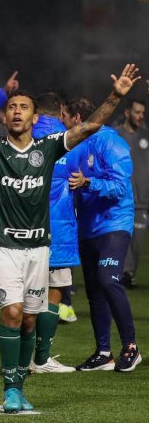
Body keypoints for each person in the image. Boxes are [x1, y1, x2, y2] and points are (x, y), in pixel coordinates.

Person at [0, 47, 140, 412]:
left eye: (23, 107)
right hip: (5, 247)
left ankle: (20, 382)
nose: (17, 111)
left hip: (40, 250)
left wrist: (116, 95)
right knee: (12, 313)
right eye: (12, 107)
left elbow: (90, 126)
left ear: (35, 117)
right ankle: (9, 388)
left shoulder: (50, 147)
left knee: (30, 322)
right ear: (5, 116)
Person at [64, 97, 142, 372]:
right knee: (95, 291)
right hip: (87, 226)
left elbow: (121, 187)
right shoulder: (72, 146)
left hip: (114, 223)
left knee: (108, 281)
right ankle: (104, 353)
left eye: (65, 116)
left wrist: (88, 182)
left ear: (76, 119)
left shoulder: (112, 142)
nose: (63, 122)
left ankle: (131, 347)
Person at [27, 92, 78, 373]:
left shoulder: (23, 136)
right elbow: (79, 176)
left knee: (25, 294)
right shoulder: (68, 139)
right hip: (58, 228)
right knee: (56, 289)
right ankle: (42, 357)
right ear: (60, 110)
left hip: (24, 226)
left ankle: (22, 358)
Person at [116, 98, 148, 289]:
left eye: (142, 112)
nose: (140, 116)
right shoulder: (116, 134)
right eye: (137, 112)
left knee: (136, 244)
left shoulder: (146, 136)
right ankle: (120, 274)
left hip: (142, 202)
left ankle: (129, 274)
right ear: (127, 112)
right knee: (118, 240)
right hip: (118, 199)